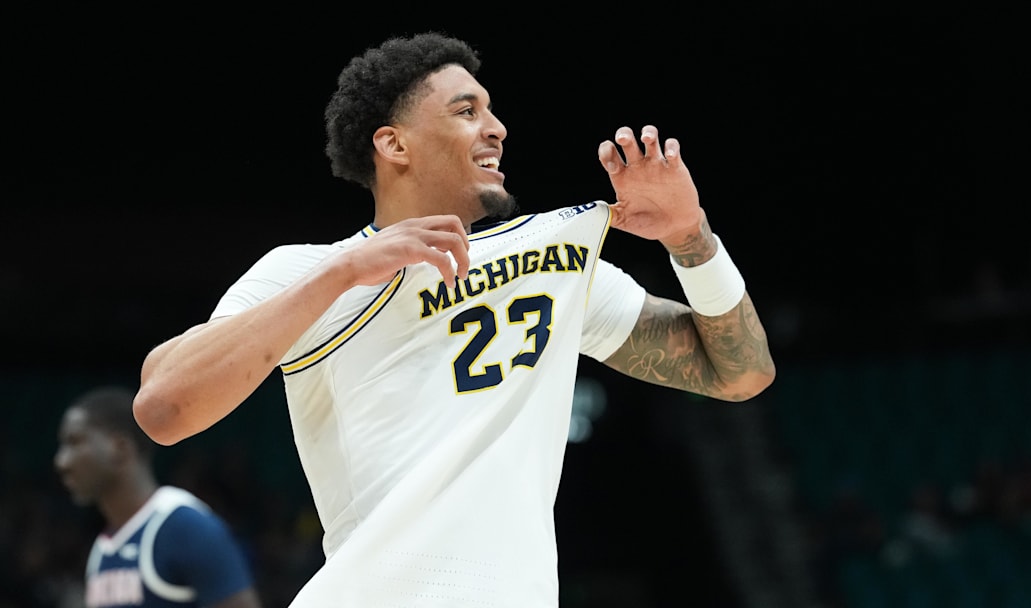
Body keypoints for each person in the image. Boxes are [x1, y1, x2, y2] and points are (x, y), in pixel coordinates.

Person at [132, 31, 776, 607]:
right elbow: (163, 408)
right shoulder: (310, 268)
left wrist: (692, 239)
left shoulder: (552, 265)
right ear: (394, 143)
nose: (496, 128)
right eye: (467, 111)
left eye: (493, 112)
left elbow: (741, 373)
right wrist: (345, 271)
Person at [55, 385, 263, 608]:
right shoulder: (102, 551)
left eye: (75, 442)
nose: (61, 462)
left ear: (120, 447)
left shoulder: (186, 527)